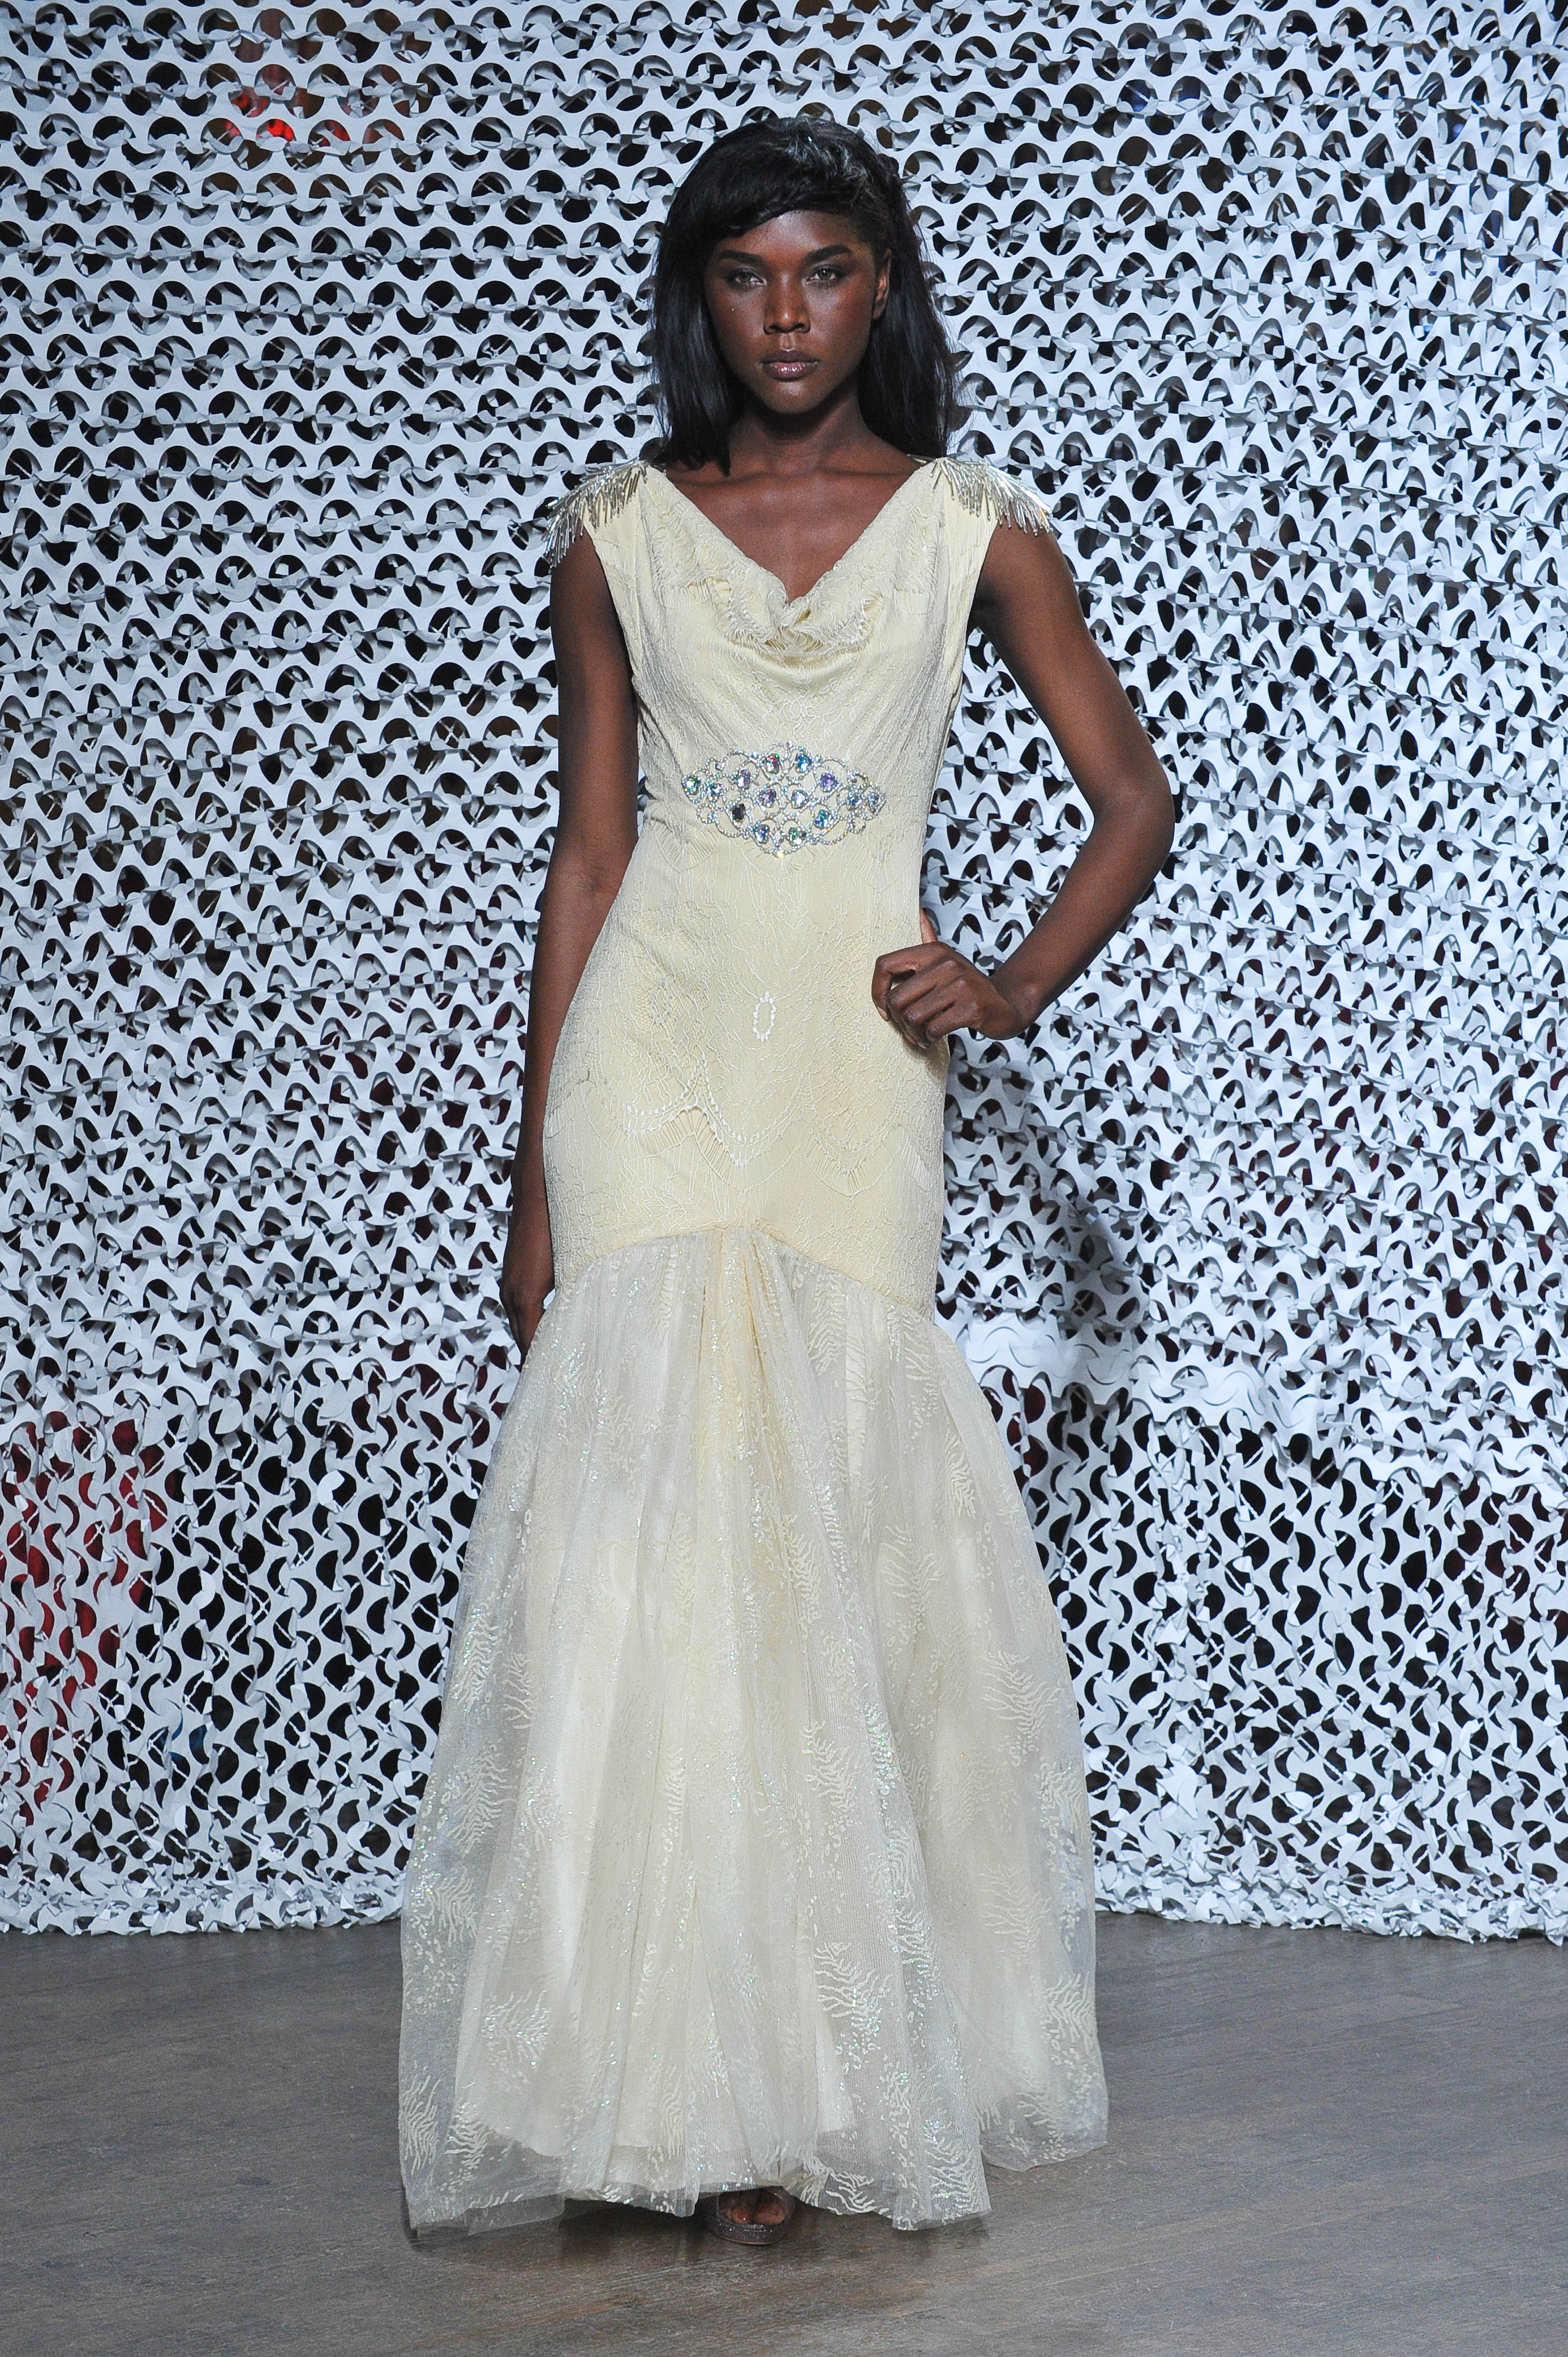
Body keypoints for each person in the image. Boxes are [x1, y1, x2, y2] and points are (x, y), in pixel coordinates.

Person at [399, 115, 1174, 2248]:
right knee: (643, 1560)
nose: (788, 315)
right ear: (703, 300)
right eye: (747, 277)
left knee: (829, 1538)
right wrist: (531, 1179)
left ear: (882, 287)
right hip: (650, 1058)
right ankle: (653, 2089)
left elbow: (1130, 796)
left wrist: (1007, 981)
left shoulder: (974, 532)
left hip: (848, 1065)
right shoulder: (619, 534)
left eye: (826, 271)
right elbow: (589, 853)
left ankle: (815, 2073)